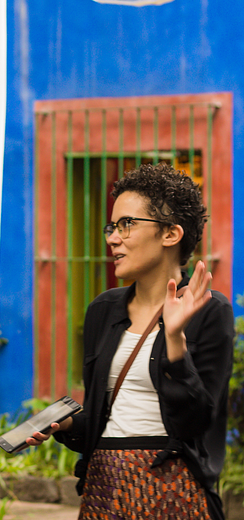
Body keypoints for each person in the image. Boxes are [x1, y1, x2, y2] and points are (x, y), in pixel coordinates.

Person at [28, 163, 234, 520]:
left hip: (171, 489)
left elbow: (196, 423)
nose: (112, 238)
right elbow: (100, 415)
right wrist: (66, 425)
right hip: (103, 487)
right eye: (112, 226)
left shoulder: (210, 311)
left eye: (127, 224)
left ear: (170, 234)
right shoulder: (103, 310)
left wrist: (173, 338)